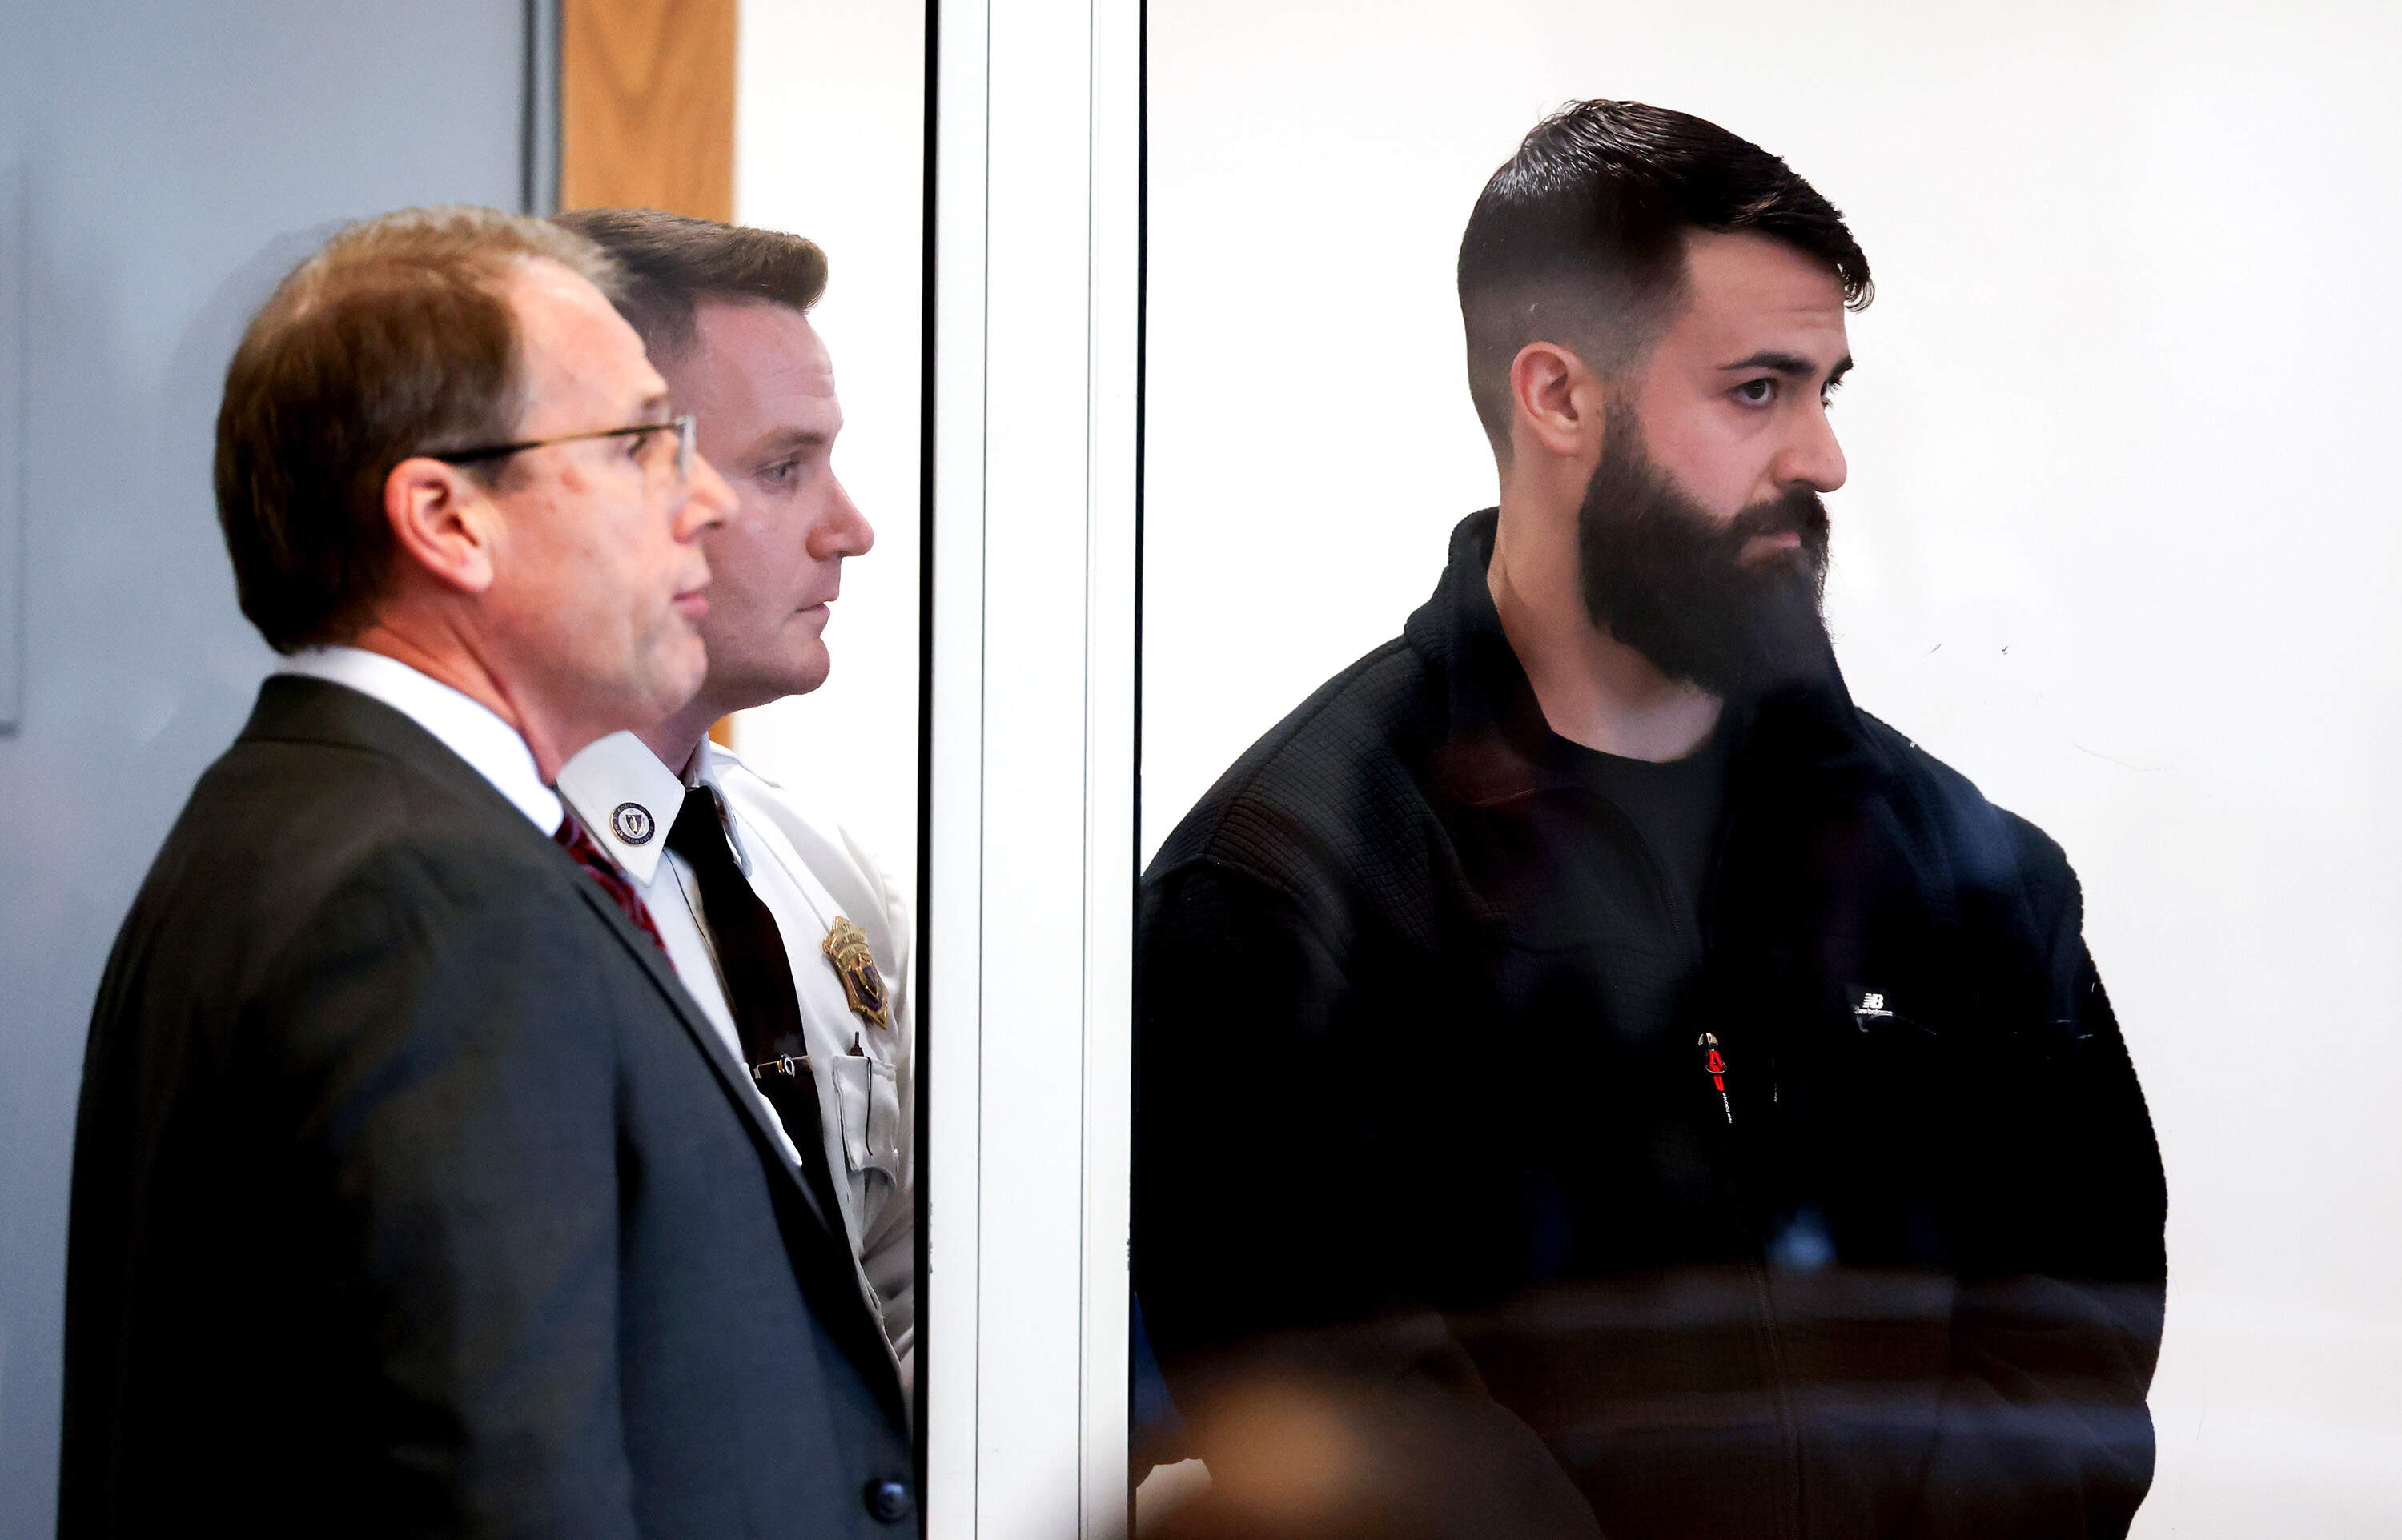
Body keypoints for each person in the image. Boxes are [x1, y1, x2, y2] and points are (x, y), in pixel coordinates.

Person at [1132, 102, 2168, 1539]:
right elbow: (1349, 1415)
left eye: (1829, 392)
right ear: (1558, 397)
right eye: (1758, 392)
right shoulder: (1283, 894)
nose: (1822, 459)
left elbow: (2070, 1333)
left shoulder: (1962, 874)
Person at [58, 207, 918, 1538]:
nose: (694, 501)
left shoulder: (304, 818)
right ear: (448, 519)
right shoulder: (427, 903)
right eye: (638, 445)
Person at [545, 208, 914, 1390]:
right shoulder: (494, 884)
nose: (849, 530)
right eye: (782, 468)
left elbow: (896, 1307)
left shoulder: (814, 864)